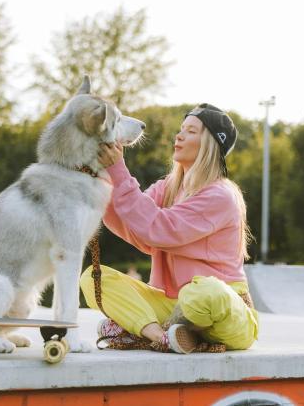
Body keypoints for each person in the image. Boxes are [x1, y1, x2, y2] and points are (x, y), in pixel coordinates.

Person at [79, 103, 259, 354]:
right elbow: (137, 227)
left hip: (223, 311)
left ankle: (138, 327)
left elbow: (158, 228)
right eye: (181, 129)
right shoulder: (169, 187)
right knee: (93, 278)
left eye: (191, 131)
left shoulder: (221, 196)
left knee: (205, 290)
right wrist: (101, 175)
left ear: (210, 144)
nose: (179, 135)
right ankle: (160, 335)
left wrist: (119, 170)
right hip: (173, 305)